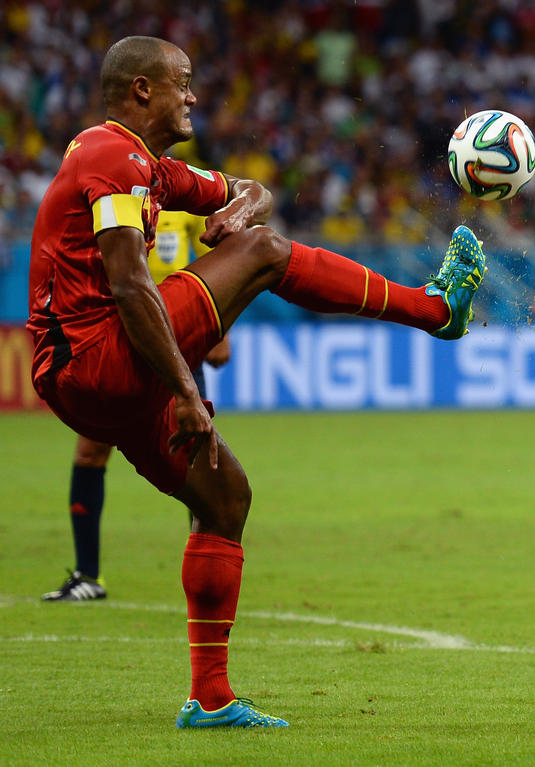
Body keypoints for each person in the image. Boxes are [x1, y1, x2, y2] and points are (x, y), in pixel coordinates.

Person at [27, 36, 486, 728]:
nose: (193, 96)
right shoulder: (109, 154)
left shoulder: (146, 167)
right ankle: (435, 309)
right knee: (267, 255)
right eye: (182, 83)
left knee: (225, 496)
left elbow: (252, 191)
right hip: (94, 357)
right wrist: (185, 391)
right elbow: (127, 281)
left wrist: (239, 209)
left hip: (92, 383)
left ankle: (209, 698)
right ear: (142, 90)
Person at [42, 211, 230, 601]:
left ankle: (207, 580)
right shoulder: (115, 192)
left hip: (178, 337)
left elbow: (215, 255)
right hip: (121, 338)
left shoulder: (186, 197)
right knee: (90, 453)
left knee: (197, 461)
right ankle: (88, 576)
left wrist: (219, 325)